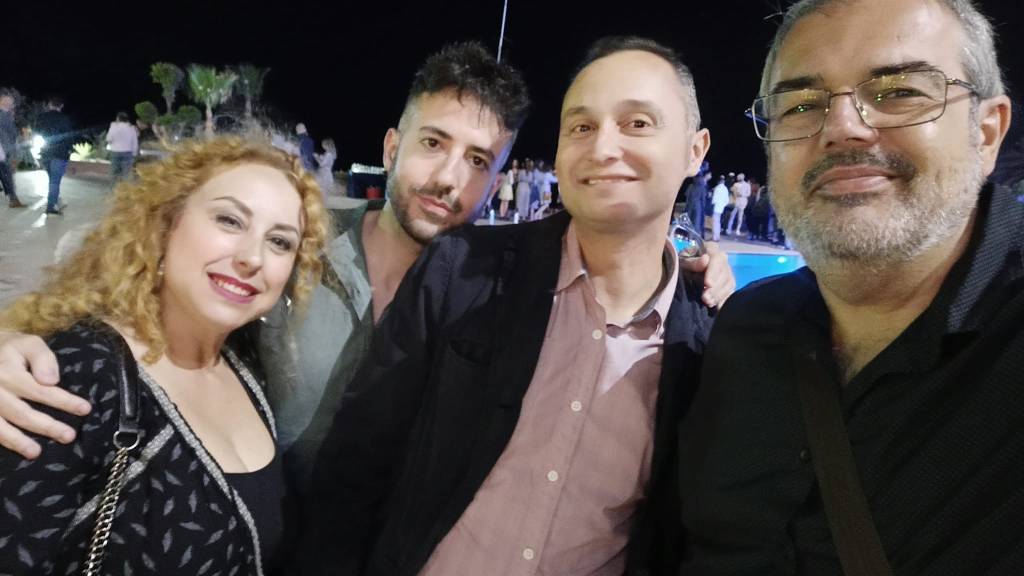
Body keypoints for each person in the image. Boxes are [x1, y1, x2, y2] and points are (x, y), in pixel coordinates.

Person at [0, 41, 731, 506]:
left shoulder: (498, 288)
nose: (448, 178)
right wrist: (20, 342)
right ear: (390, 146)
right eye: (433, 143)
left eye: (479, 161)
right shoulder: (297, 248)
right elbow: (136, 281)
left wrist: (698, 269)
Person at [297, 36, 726, 576]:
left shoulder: (711, 346)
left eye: (637, 123)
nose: (602, 147)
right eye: (581, 127)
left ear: (695, 150)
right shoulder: (461, 271)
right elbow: (356, 465)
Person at [678, 0, 1019, 574]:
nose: (842, 128)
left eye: (899, 92)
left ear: (986, 134)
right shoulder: (745, 329)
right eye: (800, 106)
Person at [0, 137, 329, 575]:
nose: (252, 257)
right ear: (166, 223)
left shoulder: (246, 365)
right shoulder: (77, 373)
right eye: (229, 220)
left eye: (280, 242)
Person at [35, 97, 74, 215]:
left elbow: (37, 132)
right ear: (61, 106)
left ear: (49, 105)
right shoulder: (64, 118)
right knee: (55, 181)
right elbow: (69, 136)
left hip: (46, 152)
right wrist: (69, 150)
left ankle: (56, 200)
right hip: (60, 153)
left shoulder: (41, 117)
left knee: (52, 180)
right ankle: (51, 207)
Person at [0, 89, 25, 208]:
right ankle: (13, 200)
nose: (13, 104)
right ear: (4, 102)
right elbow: (11, 132)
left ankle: (13, 199)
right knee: (8, 174)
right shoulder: (3, 115)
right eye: (11, 102)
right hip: (4, 149)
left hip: (4, 149)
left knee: (6, 174)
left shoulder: (6, 114)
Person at [106, 111, 139, 182]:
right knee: (127, 174)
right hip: (128, 152)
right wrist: (134, 154)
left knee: (114, 173)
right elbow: (135, 142)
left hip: (115, 152)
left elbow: (108, 139)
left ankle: (114, 187)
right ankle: (125, 188)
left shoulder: (114, 127)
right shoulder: (131, 128)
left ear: (118, 119)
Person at [685, 168, 711, 238]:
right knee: (696, 222)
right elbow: (703, 199)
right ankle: (694, 237)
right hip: (698, 207)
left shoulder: (691, 186)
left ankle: (688, 235)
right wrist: (703, 207)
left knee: (689, 221)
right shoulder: (702, 187)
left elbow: (687, 196)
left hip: (690, 206)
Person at [710, 174, 729, 241]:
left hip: (716, 207)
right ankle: (717, 236)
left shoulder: (717, 188)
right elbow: (727, 200)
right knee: (718, 222)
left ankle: (714, 237)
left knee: (715, 222)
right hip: (721, 208)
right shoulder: (725, 188)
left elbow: (714, 199)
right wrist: (723, 205)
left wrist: (712, 204)